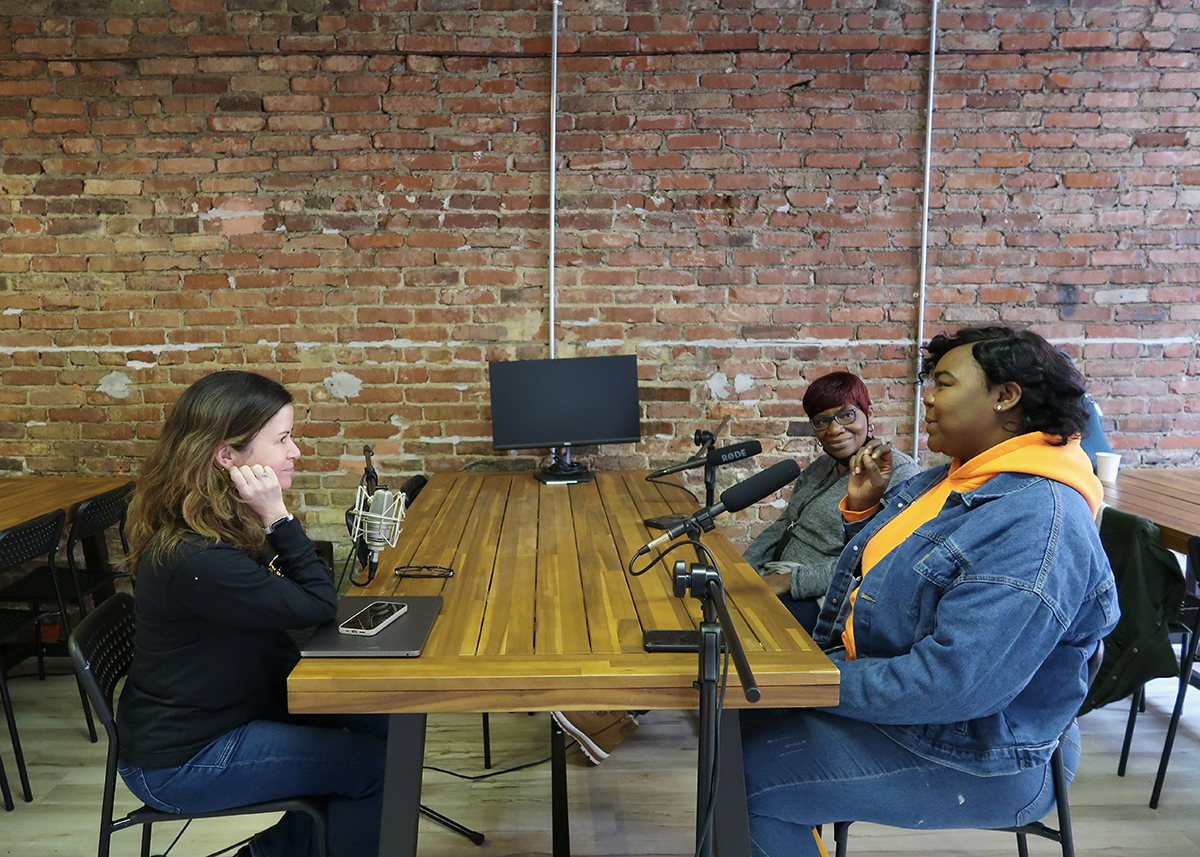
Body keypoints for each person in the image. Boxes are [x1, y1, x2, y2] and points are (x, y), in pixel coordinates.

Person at [740, 326, 1119, 857]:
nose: (928, 398)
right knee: (733, 721)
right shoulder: (952, 481)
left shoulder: (1038, 521)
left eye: (943, 383)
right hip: (934, 716)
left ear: (1005, 396)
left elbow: (954, 684)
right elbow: (898, 581)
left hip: (981, 751)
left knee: (748, 784)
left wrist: (810, 681)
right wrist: (864, 514)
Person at [116, 371, 386, 857]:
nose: (295, 451)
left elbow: (297, 612)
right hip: (183, 762)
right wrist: (278, 516)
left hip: (234, 711)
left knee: (387, 723)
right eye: (282, 439)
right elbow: (319, 604)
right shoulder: (198, 557)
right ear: (227, 456)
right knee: (375, 766)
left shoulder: (213, 524)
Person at [743, 371, 918, 632]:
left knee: (744, 634)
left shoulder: (899, 474)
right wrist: (743, 569)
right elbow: (785, 525)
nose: (835, 429)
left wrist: (789, 581)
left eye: (846, 415)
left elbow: (873, 560)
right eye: (822, 421)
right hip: (777, 574)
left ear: (868, 415)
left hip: (823, 597)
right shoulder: (822, 466)